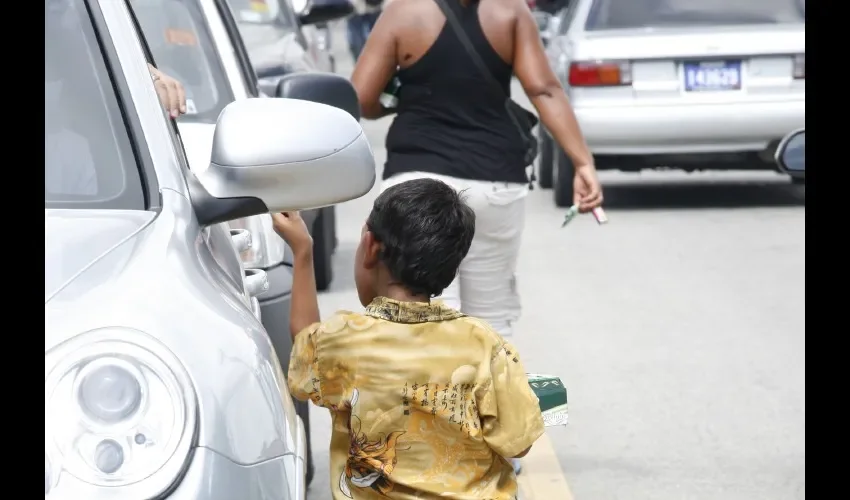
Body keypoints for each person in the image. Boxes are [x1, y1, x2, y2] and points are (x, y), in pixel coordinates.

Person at [351, 0, 600, 470]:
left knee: (416, 312)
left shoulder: (403, 13)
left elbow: (361, 95)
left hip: (416, 179)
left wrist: (395, 101)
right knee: (492, 319)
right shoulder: (510, 12)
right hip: (493, 180)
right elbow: (544, 89)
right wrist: (582, 162)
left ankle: (417, 442)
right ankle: (497, 444)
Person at [272, 178, 545, 500]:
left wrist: (302, 252)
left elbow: (304, 340)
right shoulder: (485, 345)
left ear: (371, 247)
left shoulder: (341, 339)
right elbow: (519, 443)